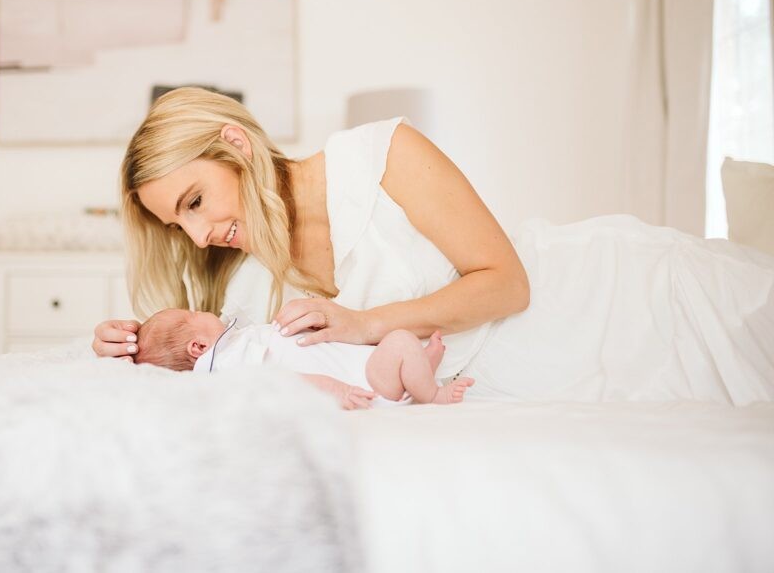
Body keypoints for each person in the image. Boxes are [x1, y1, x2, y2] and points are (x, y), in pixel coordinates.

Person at [95, 87, 774, 405]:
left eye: (193, 202)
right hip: (521, 380)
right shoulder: (243, 279)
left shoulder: (381, 153)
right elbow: (201, 360)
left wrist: (366, 323)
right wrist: (129, 346)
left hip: (613, 302)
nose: (198, 234)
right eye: (176, 226)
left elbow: (507, 283)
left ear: (235, 145)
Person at [132, 307, 476, 409]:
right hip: (365, 384)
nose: (202, 309)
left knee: (399, 348)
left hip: (362, 367)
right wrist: (337, 392)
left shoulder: (236, 344)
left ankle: (418, 373)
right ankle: (434, 394)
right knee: (400, 341)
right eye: (193, 313)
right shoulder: (232, 365)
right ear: (198, 347)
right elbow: (289, 383)